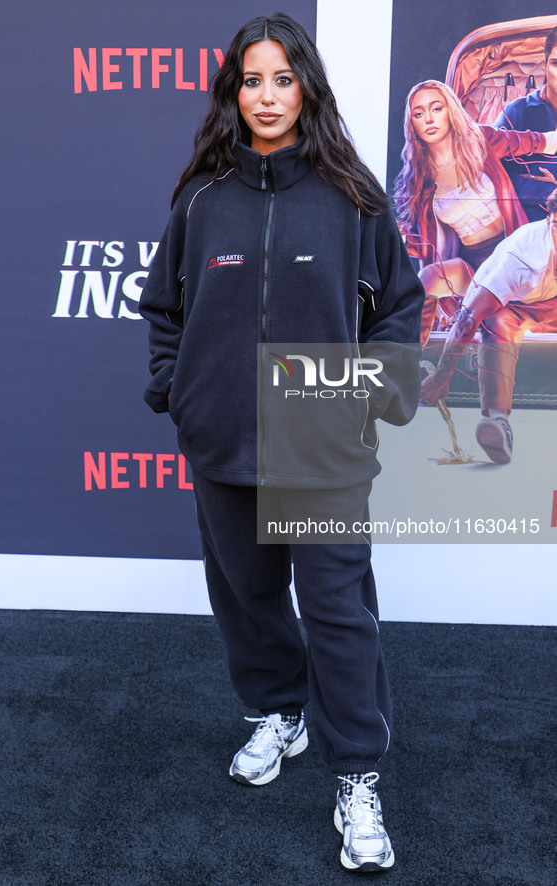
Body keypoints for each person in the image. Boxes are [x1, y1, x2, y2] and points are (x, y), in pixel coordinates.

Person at [139, 13, 424, 872]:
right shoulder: (202, 198)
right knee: (249, 599)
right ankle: (278, 712)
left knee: (339, 615)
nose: (266, 96)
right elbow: (164, 311)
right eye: (250, 81)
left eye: (282, 79)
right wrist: (175, 388)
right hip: (222, 438)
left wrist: (365, 399)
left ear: (307, 87)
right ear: (234, 92)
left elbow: (401, 313)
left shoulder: (353, 199)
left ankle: (357, 776)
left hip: (322, 448)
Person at [395, 79, 557, 343]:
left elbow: (525, 142)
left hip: (515, 258)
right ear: (412, 123)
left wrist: (551, 140)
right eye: (419, 113)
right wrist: (403, 238)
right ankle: (411, 362)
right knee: (427, 278)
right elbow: (424, 244)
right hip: (473, 268)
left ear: (450, 110)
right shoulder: (416, 179)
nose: (429, 119)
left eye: (436, 108)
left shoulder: (479, 140)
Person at [420, 187, 557, 463]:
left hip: (551, 302)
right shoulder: (525, 259)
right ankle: (497, 420)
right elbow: (469, 319)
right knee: (497, 323)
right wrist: (441, 377)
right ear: (553, 222)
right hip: (515, 306)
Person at [493, 27, 557, 222]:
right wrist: (546, 190)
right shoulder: (516, 112)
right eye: (556, 63)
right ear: (545, 66)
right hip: (528, 231)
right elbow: (490, 177)